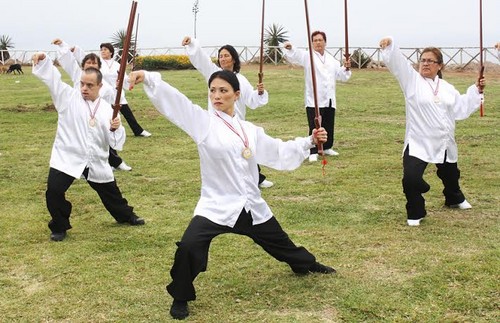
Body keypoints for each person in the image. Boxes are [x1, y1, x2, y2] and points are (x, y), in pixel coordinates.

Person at [127, 69, 335, 320]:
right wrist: (149, 78)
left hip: (249, 204)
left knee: (279, 242)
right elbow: (177, 103)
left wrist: (309, 140)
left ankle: (305, 264)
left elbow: (278, 150)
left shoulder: (250, 130)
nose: (216, 95)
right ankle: (180, 296)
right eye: (212, 90)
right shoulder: (203, 123)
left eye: (223, 90)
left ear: (237, 95)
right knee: (189, 247)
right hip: (216, 204)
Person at [32, 52, 145, 242]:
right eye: (82, 84)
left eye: (90, 85)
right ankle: (59, 225)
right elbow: (53, 80)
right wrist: (43, 60)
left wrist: (115, 128)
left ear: (100, 86)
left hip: (95, 158)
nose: (84, 88)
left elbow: (116, 142)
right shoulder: (67, 97)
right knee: (54, 191)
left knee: (110, 191)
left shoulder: (107, 109)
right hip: (67, 156)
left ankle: (126, 215)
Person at [379, 37, 486, 226]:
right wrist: (389, 46)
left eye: (430, 61)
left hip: (443, 139)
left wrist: (477, 90)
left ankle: (454, 198)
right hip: (419, 140)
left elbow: (460, 107)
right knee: (411, 179)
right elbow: (399, 65)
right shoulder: (411, 81)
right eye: (423, 60)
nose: (425, 63)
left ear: (440, 66)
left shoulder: (447, 88)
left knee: (450, 175)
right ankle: (416, 211)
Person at [181, 36, 274, 189]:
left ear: (234, 59)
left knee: (245, 150)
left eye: (226, 56)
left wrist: (259, 93)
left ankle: (257, 178)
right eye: (221, 56)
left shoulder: (241, 80)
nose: (223, 59)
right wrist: (191, 44)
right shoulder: (214, 74)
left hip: (236, 122)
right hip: (216, 121)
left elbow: (251, 100)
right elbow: (202, 60)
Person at [52, 39, 132, 171]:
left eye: (94, 63)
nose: (91, 65)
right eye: (88, 62)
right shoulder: (77, 73)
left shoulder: (102, 81)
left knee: (102, 138)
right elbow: (68, 61)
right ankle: (110, 163)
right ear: (83, 65)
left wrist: (117, 89)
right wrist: (62, 45)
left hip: (97, 114)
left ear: (99, 66)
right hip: (79, 112)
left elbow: (112, 96)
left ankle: (113, 162)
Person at [284, 31, 351, 162]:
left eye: (320, 40)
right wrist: (290, 47)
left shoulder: (332, 59)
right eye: (315, 40)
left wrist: (346, 68)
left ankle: (327, 146)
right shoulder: (308, 56)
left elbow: (341, 75)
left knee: (328, 123)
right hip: (314, 98)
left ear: (325, 42)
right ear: (312, 43)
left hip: (329, 98)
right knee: (315, 125)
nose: (318, 43)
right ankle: (313, 150)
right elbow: (296, 54)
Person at [98, 42, 152, 138]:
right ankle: (104, 132)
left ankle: (138, 131)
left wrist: (131, 79)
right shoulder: (99, 64)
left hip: (118, 93)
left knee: (128, 114)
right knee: (104, 114)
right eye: (101, 50)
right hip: (105, 94)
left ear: (111, 52)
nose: (102, 51)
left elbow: (123, 77)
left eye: (105, 49)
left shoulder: (117, 64)